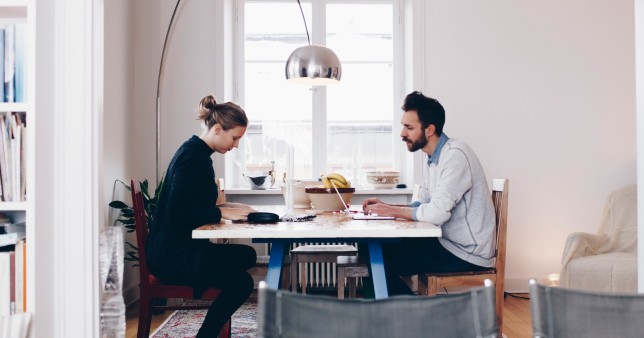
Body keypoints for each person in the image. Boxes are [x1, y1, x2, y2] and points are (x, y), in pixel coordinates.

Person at [362, 91, 496, 295]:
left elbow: (436, 213)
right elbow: (422, 204)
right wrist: (388, 208)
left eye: (409, 127)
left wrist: (390, 210)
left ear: (430, 129)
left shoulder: (455, 156)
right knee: (371, 251)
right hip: (447, 242)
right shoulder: (433, 158)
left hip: (466, 252)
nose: (402, 133)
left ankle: (407, 317)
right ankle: (402, 315)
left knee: (379, 259)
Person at [146, 94, 257, 337]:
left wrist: (230, 207)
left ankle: (211, 279)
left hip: (179, 248)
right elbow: (179, 216)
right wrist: (220, 212)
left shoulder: (197, 153)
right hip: (173, 256)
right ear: (218, 129)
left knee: (247, 254)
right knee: (242, 283)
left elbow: (191, 204)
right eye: (235, 137)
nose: (236, 144)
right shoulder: (192, 157)